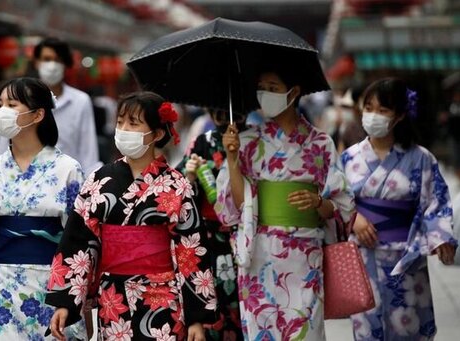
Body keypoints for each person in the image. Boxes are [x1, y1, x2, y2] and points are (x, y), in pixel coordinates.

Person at [45, 91, 217, 341]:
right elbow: (78, 242)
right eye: (120, 122)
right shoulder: (99, 180)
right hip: (113, 299)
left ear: (157, 134)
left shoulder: (176, 185)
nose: (123, 129)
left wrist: (196, 318)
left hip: (164, 300)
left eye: (133, 124)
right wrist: (66, 302)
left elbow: (191, 252)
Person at [216, 63, 356, 340]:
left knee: (306, 330)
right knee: (262, 330)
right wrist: (232, 161)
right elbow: (237, 207)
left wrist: (318, 202)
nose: (265, 94)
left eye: (273, 89)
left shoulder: (320, 143)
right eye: (261, 89)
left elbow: (342, 205)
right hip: (259, 254)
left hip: (305, 255)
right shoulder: (246, 141)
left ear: (294, 92)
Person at [0, 77, 85, 340]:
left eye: (12, 104)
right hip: (4, 285)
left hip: (54, 286)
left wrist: (77, 298)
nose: (2, 111)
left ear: (38, 114)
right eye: (0, 104)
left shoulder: (67, 169)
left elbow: (79, 240)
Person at [341, 78, 457, 340]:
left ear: (400, 115)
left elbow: (435, 203)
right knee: (367, 327)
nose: (373, 115)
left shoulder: (421, 158)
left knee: (408, 327)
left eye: (383, 110)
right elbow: (333, 200)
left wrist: (440, 239)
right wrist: (353, 218)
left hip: (406, 258)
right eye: (369, 108)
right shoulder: (349, 158)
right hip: (363, 256)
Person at [176, 108, 246, 340]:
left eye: (225, 106)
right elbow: (178, 189)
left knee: (246, 304)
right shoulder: (201, 142)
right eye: (213, 105)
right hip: (209, 236)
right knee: (211, 302)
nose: (220, 112)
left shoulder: (256, 141)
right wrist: (190, 177)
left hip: (246, 234)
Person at [0, 37, 101, 175]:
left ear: (65, 64)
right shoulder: (20, 99)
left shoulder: (80, 101)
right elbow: (5, 140)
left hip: (67, 181)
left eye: (57, 60)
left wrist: (89, 187)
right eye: (46, 59)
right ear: (36, 62)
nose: (52, 65)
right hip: (22, 178)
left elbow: (88, 149)